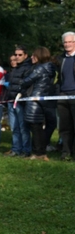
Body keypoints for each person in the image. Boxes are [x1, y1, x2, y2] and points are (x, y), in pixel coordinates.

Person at [19, 47, 56, 161]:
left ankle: (38, 153)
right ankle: (40, 152)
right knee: (38, 128)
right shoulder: (50, 68)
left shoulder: (39, 69)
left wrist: (21, 81)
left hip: (34, 101)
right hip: (42, 101)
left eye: (33, 55)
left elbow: (25, 81)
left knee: (35, 128)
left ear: (39, 56)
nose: (31, 57)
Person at [4, 45, 32, 157]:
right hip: (11, 100)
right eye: (16, 55)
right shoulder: (15, 69)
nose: (17, 57)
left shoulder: (28, 68)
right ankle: (16, 149)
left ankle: (26, 150)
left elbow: (26, 85)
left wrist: (21, 95)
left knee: (22, 127)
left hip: (20, 101)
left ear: (25, 55)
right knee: (14, 127)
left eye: (20, 55)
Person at [57, 31, 75, 161]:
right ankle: (66, 152)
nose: (67, 44)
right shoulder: (60, 59)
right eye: (65, 42)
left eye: (70, 42)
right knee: (64, 126)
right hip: (63, 95)